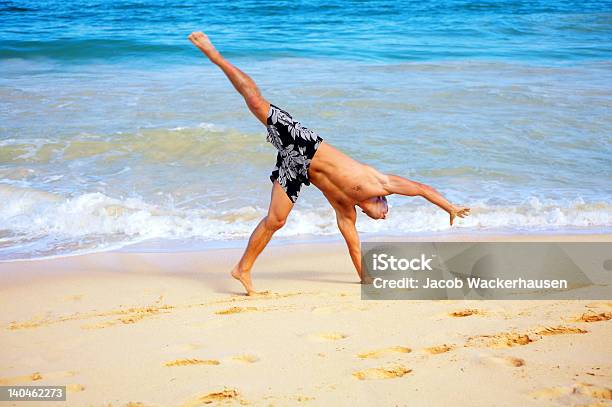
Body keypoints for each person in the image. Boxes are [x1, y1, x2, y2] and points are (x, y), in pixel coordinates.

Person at [188, 31, 470, 295]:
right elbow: (421, 188)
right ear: (383, 200)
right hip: (306, 145)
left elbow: (355, 247)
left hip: (296, 168)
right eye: (387, 211)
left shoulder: (346, 209)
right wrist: (451, 207)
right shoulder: (380, 182)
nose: (385, 215)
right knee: (256, 102)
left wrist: (366, 279)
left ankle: (242, 269)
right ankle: (215, 55)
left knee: (276, 220)